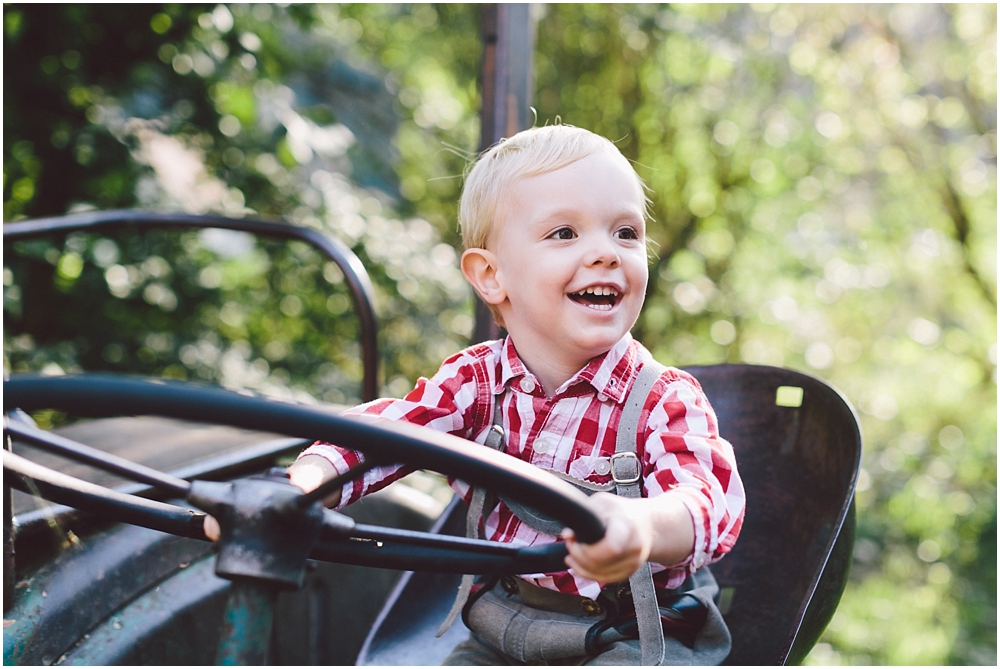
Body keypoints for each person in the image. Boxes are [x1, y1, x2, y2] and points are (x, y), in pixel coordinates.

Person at [210, 124, 745, 665]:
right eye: (565, 233)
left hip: (633, 634)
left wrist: (640, 527)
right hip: (503, 623)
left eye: (626, 233)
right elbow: (387, 433)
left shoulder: (663, 400)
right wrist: (301, 487)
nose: (606, 253)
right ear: (491, 276)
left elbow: (706, 502)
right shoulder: (477, 383)